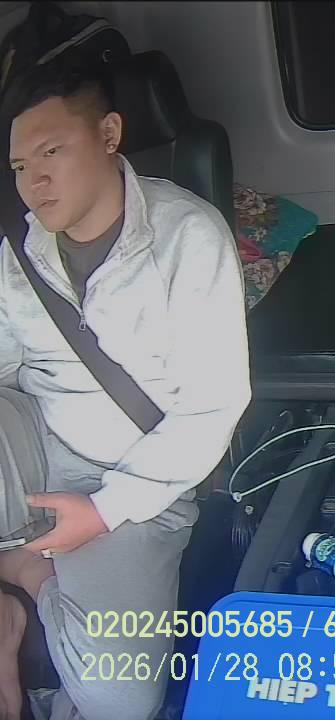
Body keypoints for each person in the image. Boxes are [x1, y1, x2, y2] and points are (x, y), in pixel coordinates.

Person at [0, 55, 250, 720]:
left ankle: (26, 577)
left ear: (109, 135)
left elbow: (212, 408)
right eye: (19, 165)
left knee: (118, 698)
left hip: (136, 479)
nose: (33, 181)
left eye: (51, 152)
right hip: (40, 442)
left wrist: (105, 511)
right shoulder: (20, 251)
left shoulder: (187, 236)